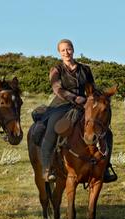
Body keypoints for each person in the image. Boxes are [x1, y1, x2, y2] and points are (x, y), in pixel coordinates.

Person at [41, 39, 116, 182]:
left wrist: (97, 98)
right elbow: (57, 89)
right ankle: (47, 168)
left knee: (107, 133)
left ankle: (105, 167)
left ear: (73, 50)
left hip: (85, 104)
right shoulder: (56, 69)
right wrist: (75, 98)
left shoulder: (85, 69)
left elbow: (92, 88)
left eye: (68, 49)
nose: (66, 52)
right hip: (61, 104)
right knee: (52, 127)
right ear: (59, 52)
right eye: (63, 50)